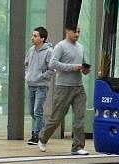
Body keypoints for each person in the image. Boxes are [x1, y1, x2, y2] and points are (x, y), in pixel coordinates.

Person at [37, 26, 91, 155]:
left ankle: (77, 147)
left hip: (78, 87)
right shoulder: (60, 46)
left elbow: (82, 64)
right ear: (68, 31)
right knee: (57, 117)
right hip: (63, 87)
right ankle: (42, 138)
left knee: (79, 118)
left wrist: (85, 70)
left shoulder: (80, 47)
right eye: (75, 32)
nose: (77, 34)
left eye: (79, 32)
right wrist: (73, 67)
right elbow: (53, 64)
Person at [24, 26, 54, 145]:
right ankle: (44, 129)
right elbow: (26, 64)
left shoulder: (49, 51)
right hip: (31, 84)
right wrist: (28, 75)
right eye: (32, 35)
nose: (32, 38)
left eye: (35, 36)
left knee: (38, 110)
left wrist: (42, 77)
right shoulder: (31, 50)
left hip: (41, 86)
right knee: (32, 111)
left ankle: (36, 135)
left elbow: (52, 69)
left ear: (42, 38)